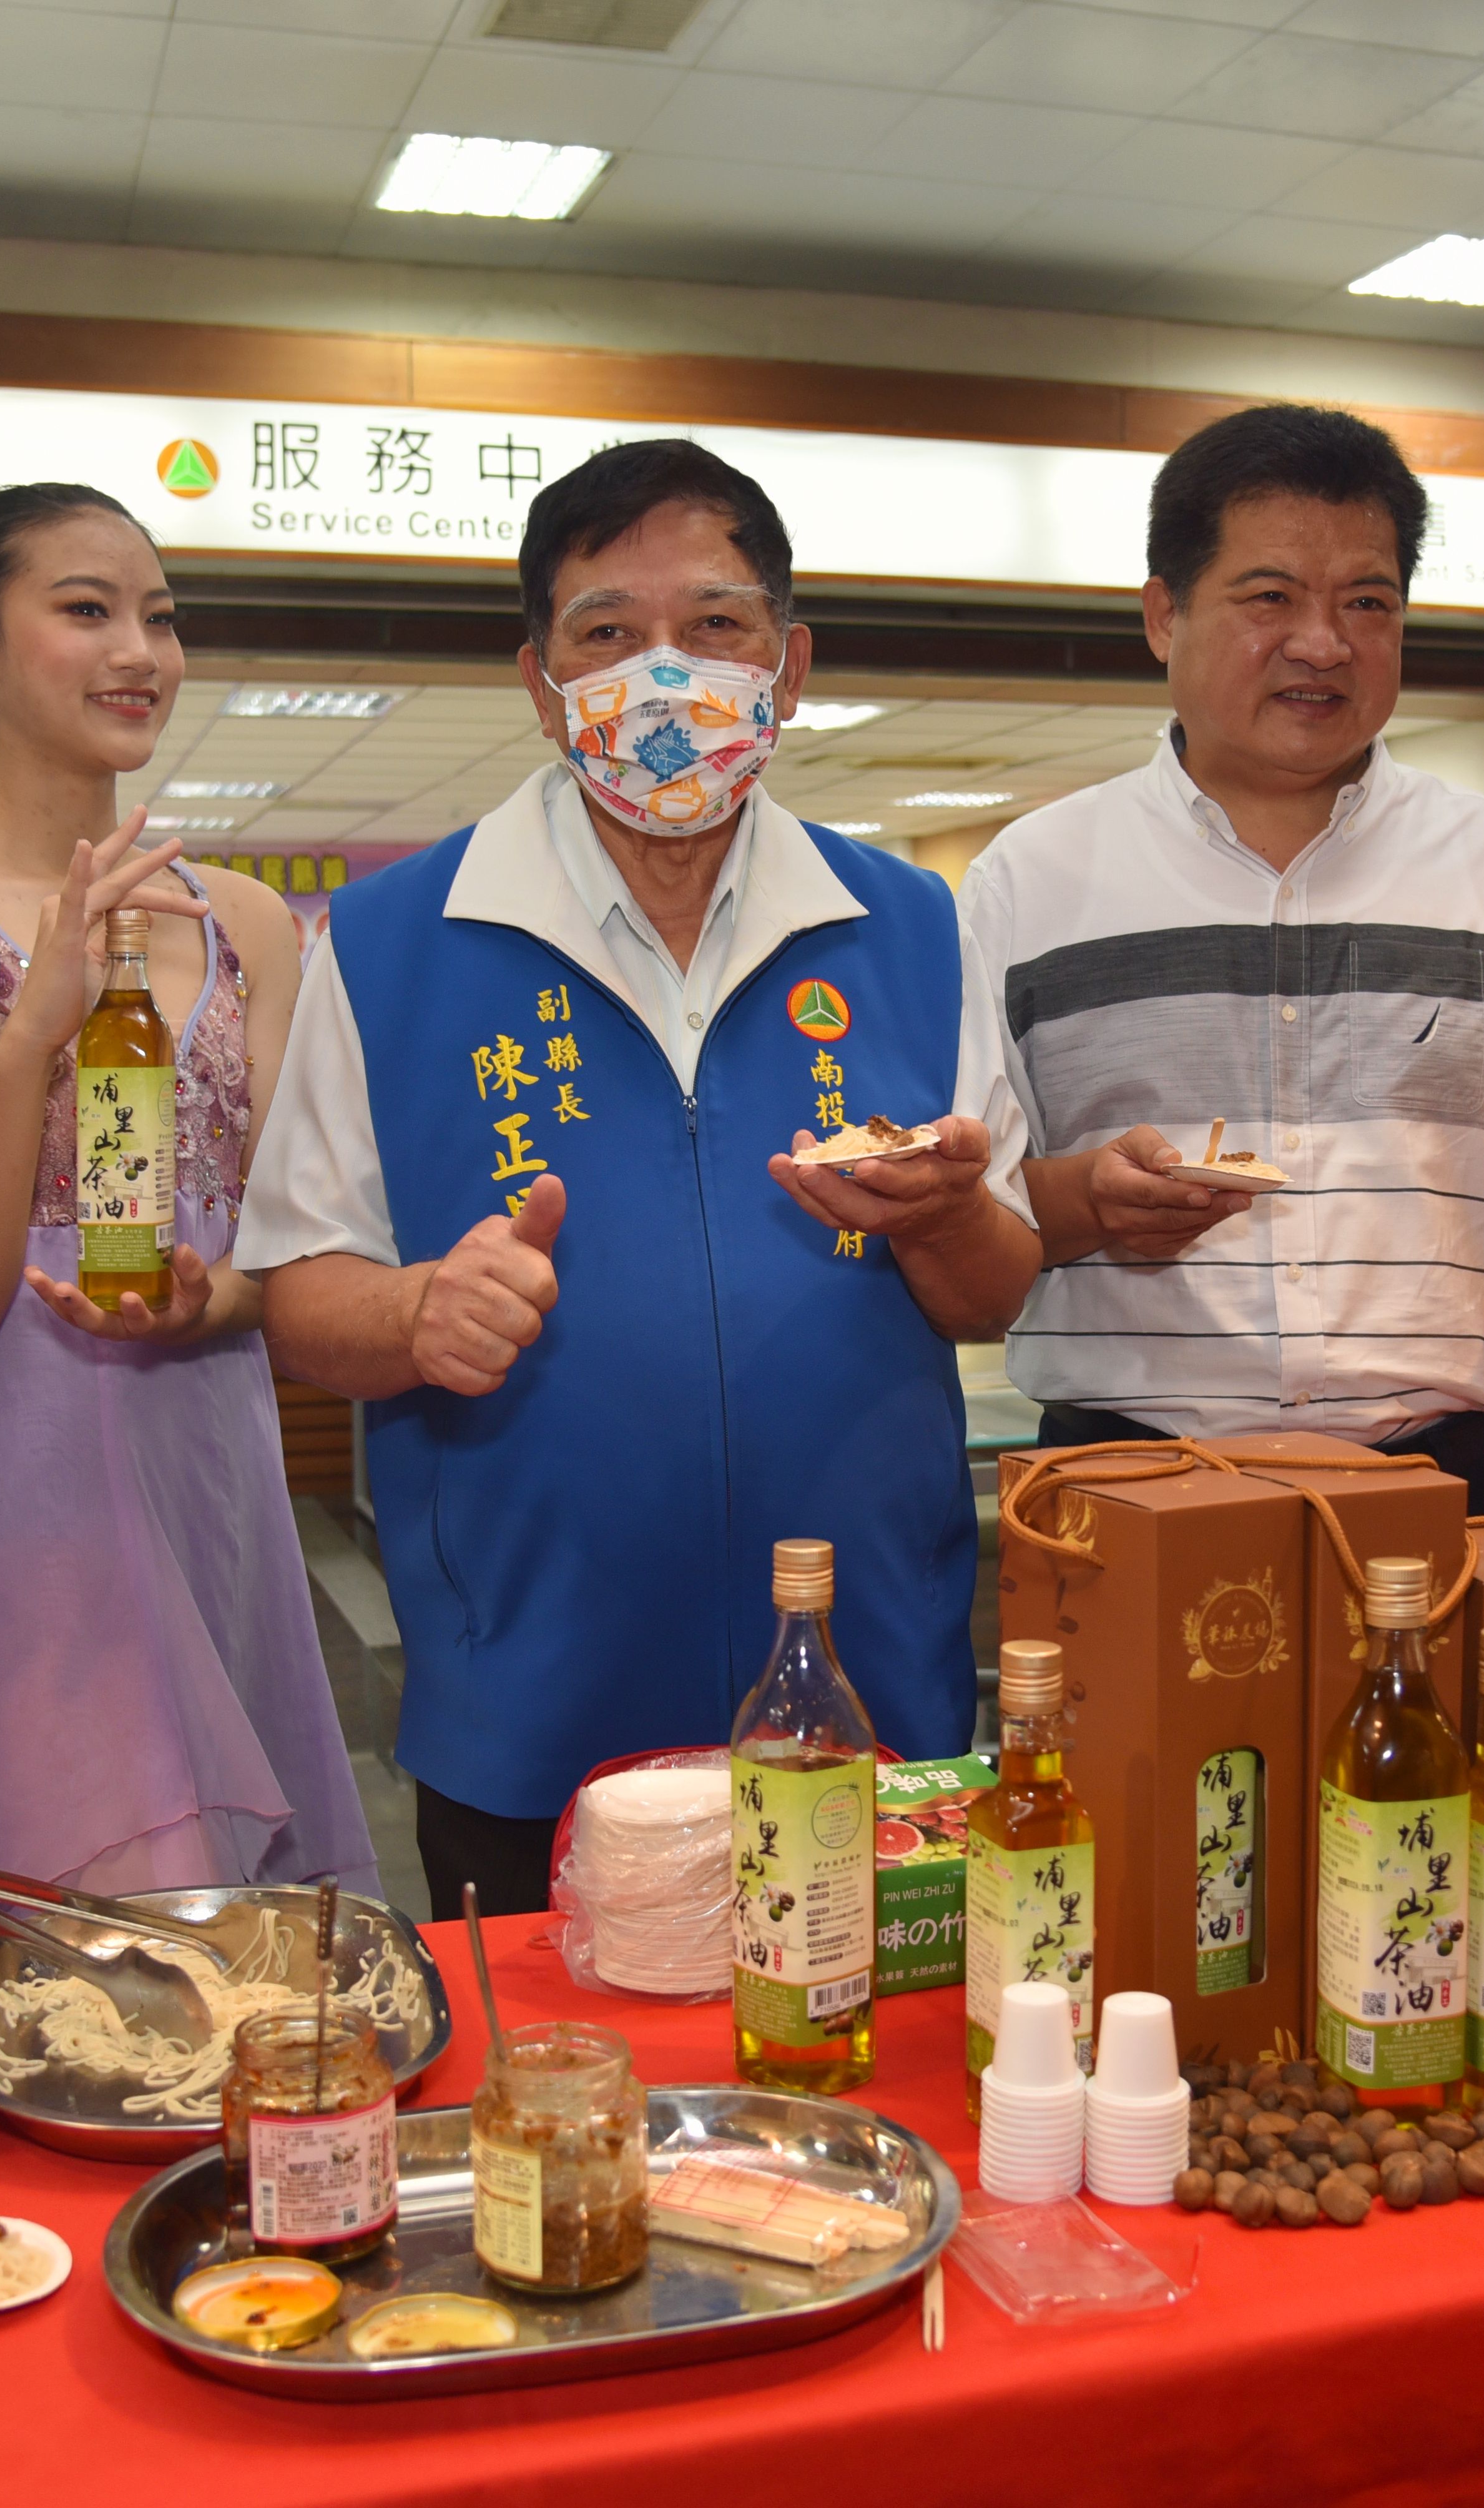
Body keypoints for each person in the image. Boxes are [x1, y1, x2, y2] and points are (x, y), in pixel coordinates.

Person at [241, 439, 1036, 1920]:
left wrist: (943, 1214)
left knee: (876, 2090)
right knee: (563, 2126)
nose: (662, 674)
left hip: (868, 1688)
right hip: (530, 1710)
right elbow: (297, 1293)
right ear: (543, 683)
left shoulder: (912, 927)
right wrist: (415, 1311)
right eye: (608, 633)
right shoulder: (396, 940)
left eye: (716, 628)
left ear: (787, 668)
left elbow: (1001, 1278)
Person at [955, 403, 1484, 1517]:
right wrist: (1088, 1202)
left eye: (1368, 604)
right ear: (1163, 614)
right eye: (1270, 598)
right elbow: (977, 1236)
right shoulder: (1031, 879)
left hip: (1439, 1478)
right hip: (1125, 1476)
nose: (1323, 643)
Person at [0, 483, 379, 1898]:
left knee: (249, 1964)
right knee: (90, 1939)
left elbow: (303, 1258)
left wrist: (221, 1295)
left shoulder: (249, 923)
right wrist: (38, 1027)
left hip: (213, 1476)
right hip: (31, 1502)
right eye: (85, 609)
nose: (139, 647)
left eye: (160, 615)